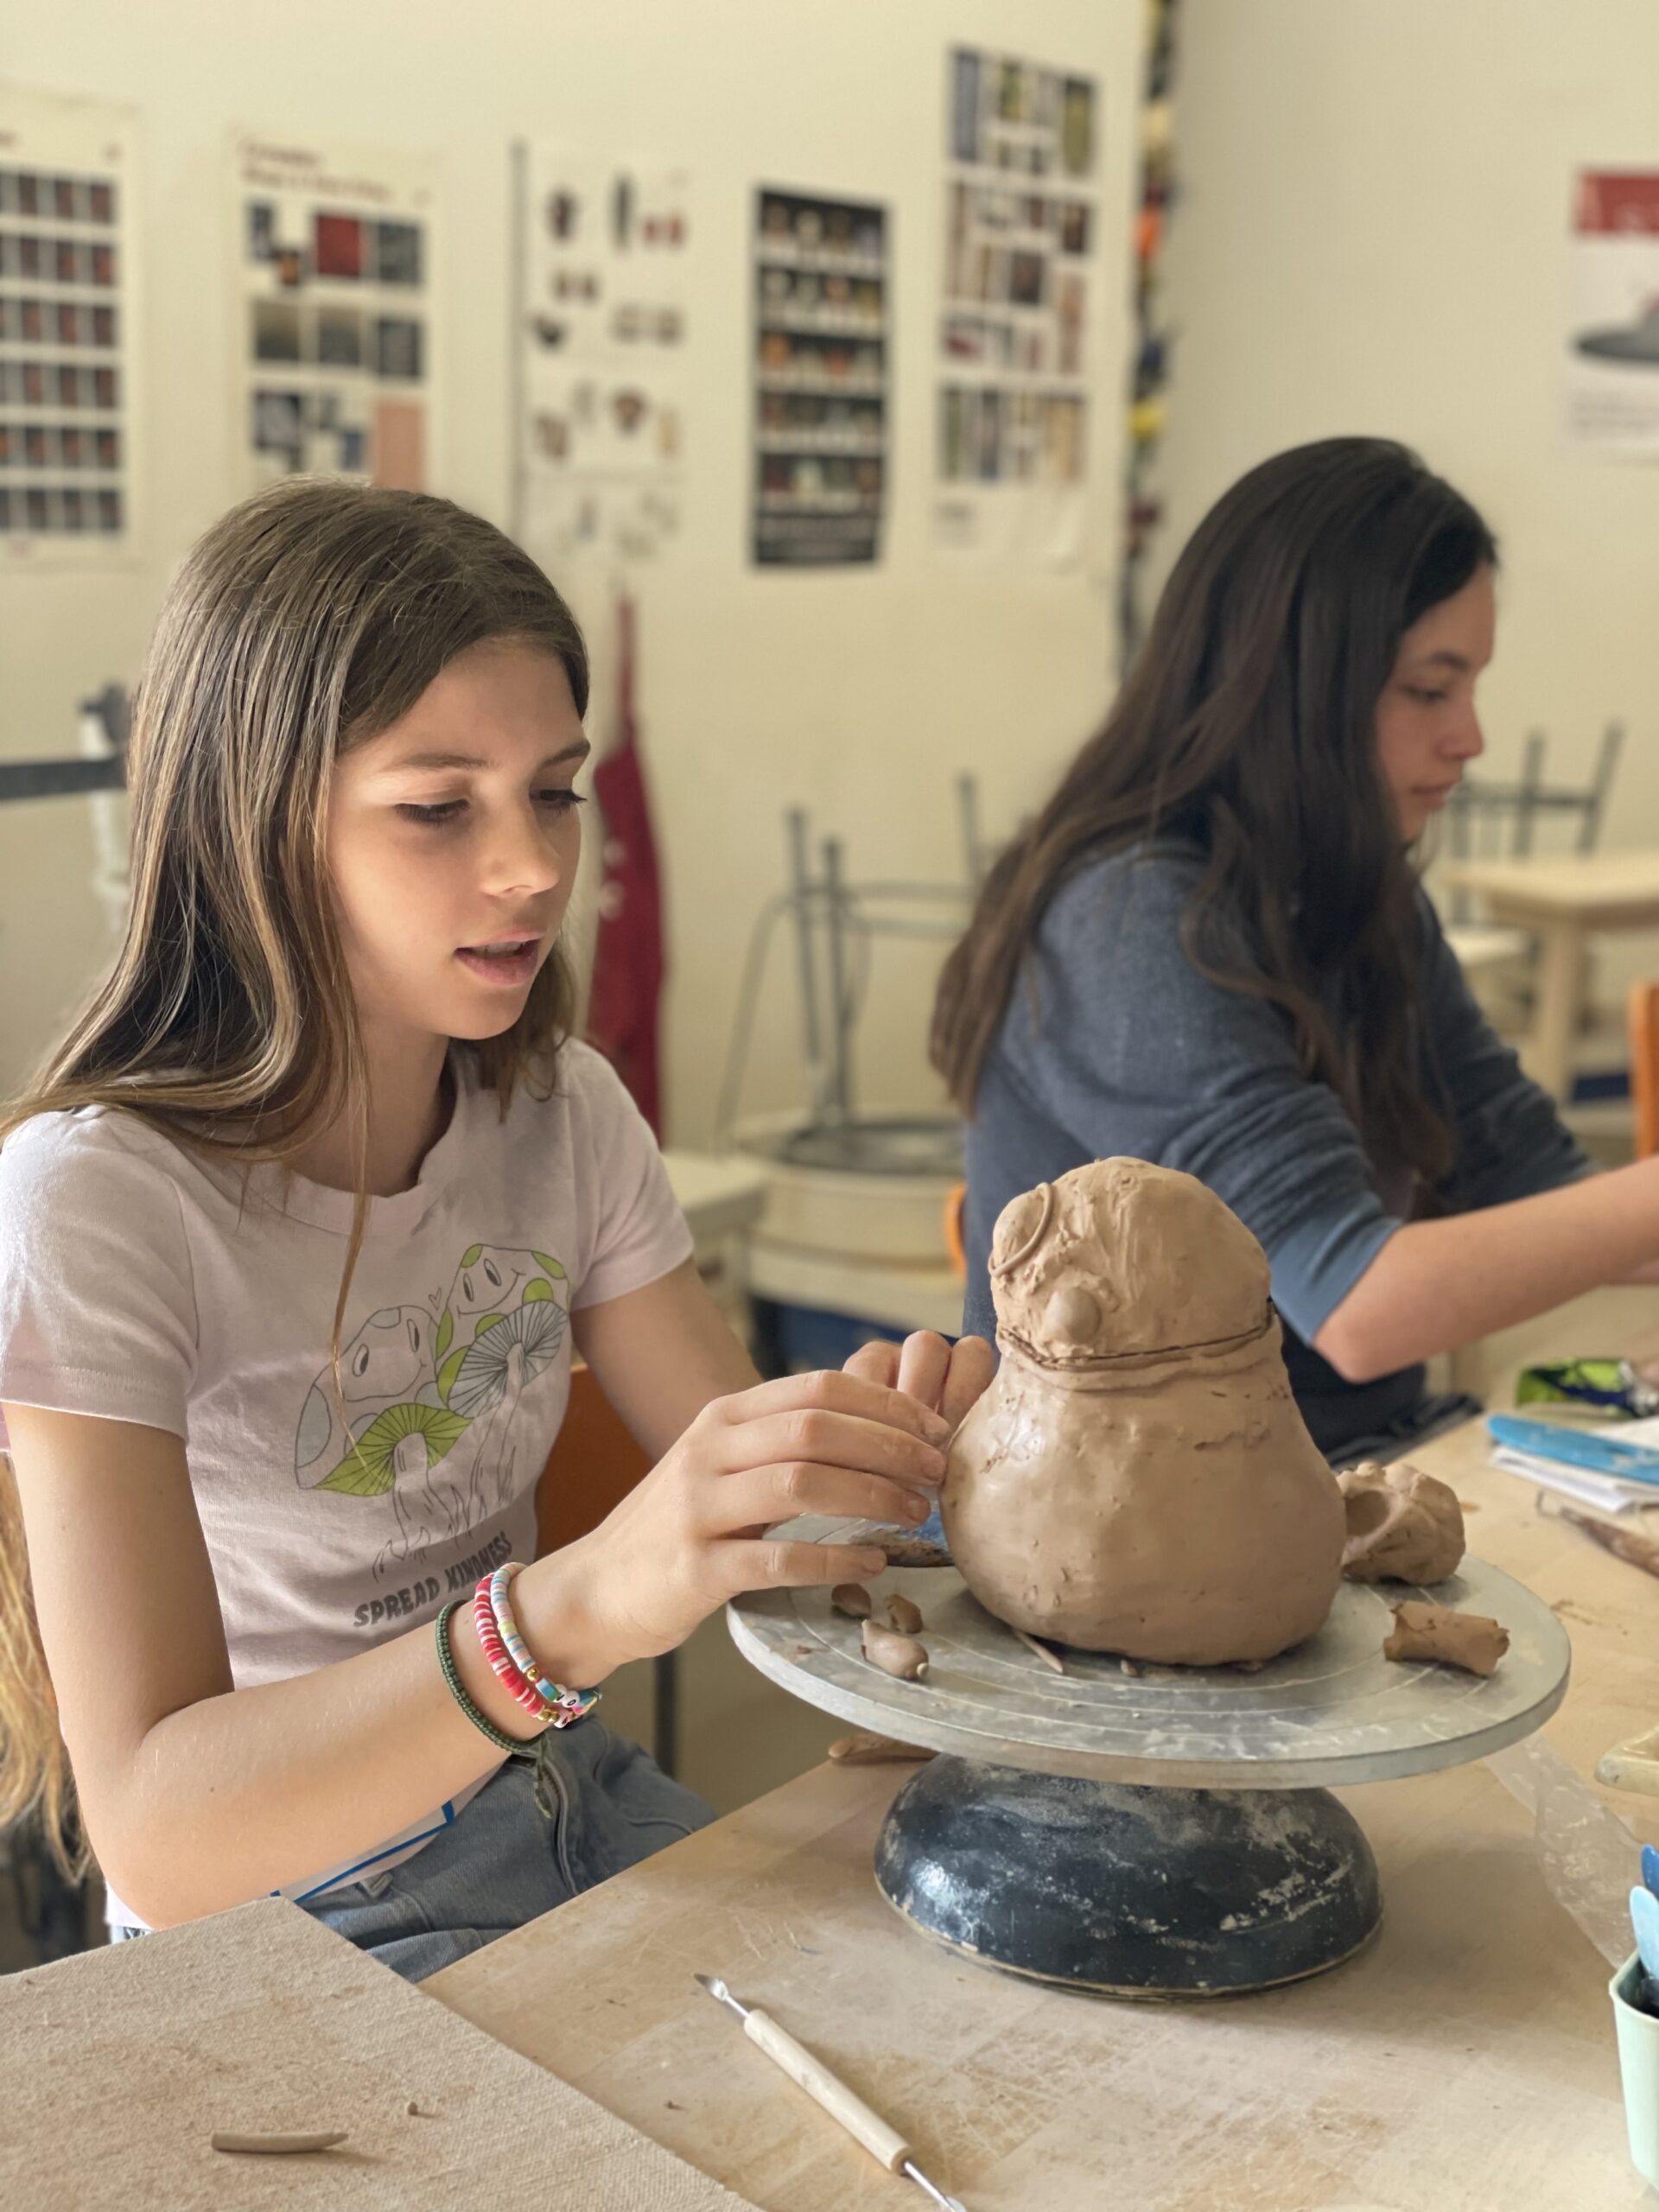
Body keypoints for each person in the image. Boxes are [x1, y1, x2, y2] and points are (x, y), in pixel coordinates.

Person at [0, 480, 989, 1979]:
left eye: (555, 788)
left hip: (565, 1802)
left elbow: (753, 1498)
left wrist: (885, 1464)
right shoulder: (99, 1201)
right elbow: (155, 1829)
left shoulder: (563, 1113)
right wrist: (569, 1609)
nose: (530, 866)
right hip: (295, 1920)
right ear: (253, 824)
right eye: (437, 806)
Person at [934, 436, 1655, 1462]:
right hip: (1117, 1536)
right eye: (1430, 690)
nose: (1471, 739)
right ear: (1297, 686)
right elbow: (1357, 1303)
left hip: (1329, 1482)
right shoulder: (1129, 917)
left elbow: (1532, 1182)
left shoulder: (1359, 890)